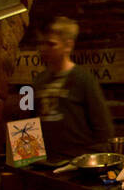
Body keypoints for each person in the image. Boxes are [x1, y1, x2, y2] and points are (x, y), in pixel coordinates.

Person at [33, 17, 114, 161]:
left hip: (77, 161)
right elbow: (25, 121)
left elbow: (103, 128)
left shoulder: (83, 79)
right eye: (41, 44)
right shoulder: (38, 81)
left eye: (51, 44)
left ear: (67, 46)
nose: (44, 49)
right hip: (47, 164)